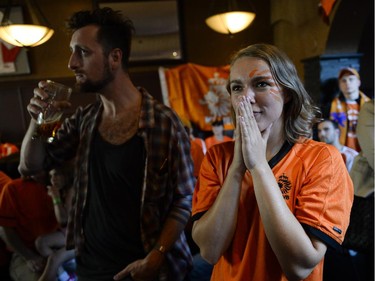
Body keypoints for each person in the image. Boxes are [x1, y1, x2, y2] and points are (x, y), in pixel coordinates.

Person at [18, 7, 195, 281]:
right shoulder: (84, 120)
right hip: (91, 267)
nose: (71, 63)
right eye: (72, 52)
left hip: (150, 270)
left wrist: (156, 256)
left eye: (83, 52)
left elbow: (184, 199)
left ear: (115, 57)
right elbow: (31, 165)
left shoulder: (164, 123)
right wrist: (37, 122)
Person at [191, 43, 354, 281]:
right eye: (237, 88)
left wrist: (258, 167)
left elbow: (299, 267)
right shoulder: (218, 158)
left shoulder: (322, 159)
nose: (246, 98)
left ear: (287, 92)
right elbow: (210, 250)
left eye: (261, 84)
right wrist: (237, 168)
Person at [0, 173, 59, 281]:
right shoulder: (12, 189)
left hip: (56, 245)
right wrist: (29, 256)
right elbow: (4, 227)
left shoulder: (61, 181)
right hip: (24, 252)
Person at [35, 163, 76, 281]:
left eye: (57, 174)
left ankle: (65, 276)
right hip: (68, 233)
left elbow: (64, 220)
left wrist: (55, 198)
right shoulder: (61, 190)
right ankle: (66, 276)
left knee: (54, 258)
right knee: (41, 242)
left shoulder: (71, 190)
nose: (54, 179)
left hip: (79, 234)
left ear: (66, 175)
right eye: (51, 175)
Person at [329, 67, 371, 152]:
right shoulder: (331, 106)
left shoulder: (370, 105)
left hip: (365, 151)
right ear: (339, 85)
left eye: (351, 79)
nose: (347, 83)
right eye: (343, 80)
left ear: (358, 82)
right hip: (341, 152)